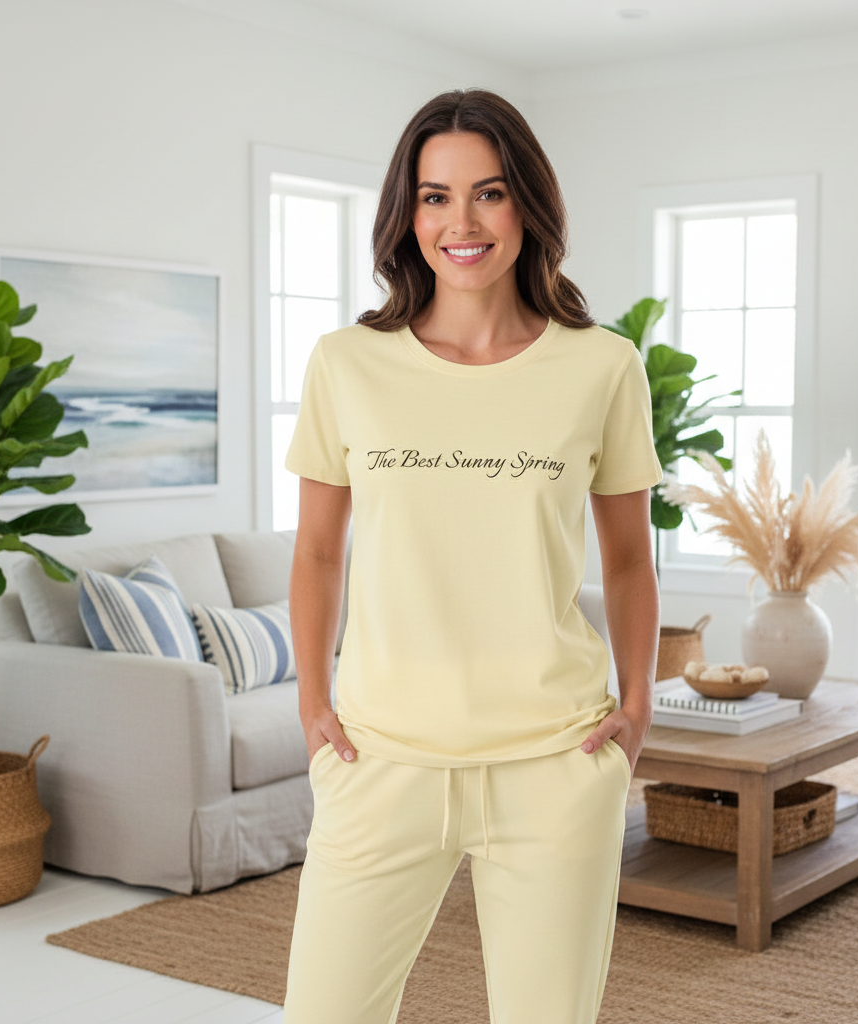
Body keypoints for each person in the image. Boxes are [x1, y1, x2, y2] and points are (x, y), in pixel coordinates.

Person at [282, 88, 661, 1024]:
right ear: (406, 216)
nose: (462, 222)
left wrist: (640, 699)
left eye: (488, 193)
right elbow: (320, 551)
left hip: (552, 761)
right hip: (381, 760)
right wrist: (311, 699)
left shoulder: (602, 366)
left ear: (528, 205)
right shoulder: (346, 364)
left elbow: (626, 559)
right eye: (435, 196)